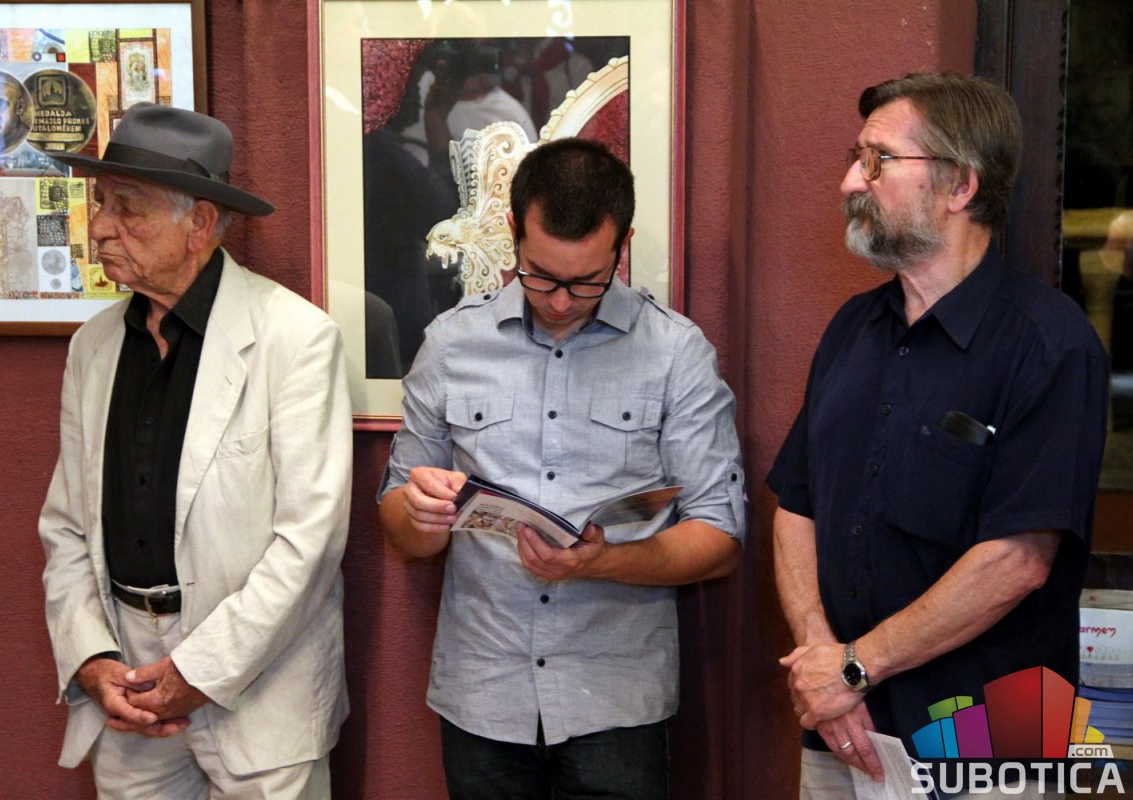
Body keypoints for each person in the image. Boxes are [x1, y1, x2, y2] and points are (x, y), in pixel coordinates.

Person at [769, 73, 1109, 798]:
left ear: (959, 185)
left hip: (989, 743)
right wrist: (823, 662)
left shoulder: (1051, 346)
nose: (849, 182)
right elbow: (796, 505)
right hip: (843, 732)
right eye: (856, 158)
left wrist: (854, 667)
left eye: (878, 160)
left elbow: (1018, 561)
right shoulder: (851, 330)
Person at [378, 137, 745, 799]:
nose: (559, 301)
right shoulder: (452, 344)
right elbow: (400, 523)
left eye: (586, 281)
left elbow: (720, 538)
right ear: (513, 232)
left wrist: (603, 562)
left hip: (616, 699)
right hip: (482, 692)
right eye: (540, 274)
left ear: (622, 246)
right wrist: (419, 512)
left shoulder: (676, 354)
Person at [39, 103, 352, 799]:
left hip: (261, 689)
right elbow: (66, 527)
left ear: (200, 225)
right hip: (128, 688)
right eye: (101, 203)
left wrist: (198, 672)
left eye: (128, 208)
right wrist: (93, 657)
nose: (100, 227)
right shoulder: (93, 348)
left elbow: (310, 542)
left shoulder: (295, 339)